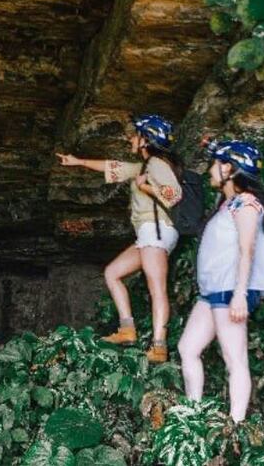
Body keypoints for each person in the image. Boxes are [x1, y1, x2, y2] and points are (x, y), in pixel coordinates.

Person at [56, 114, 183, 363]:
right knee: (112, 272)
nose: (131, 138)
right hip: (147, 234)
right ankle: (127, 329)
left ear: (146, 139)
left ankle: (159, 346)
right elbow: (113, 166)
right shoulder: (145, 166)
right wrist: (77, 161)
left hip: (156, 231)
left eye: (136, 135)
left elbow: (174, 194)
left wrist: (147, 188)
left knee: (157, 289)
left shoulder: (157, 164)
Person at [177, 139, 264, 422]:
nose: (210, 170)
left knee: (235, 360)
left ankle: (236, 425)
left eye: (214, 164)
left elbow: (248, 250)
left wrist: (240, 294)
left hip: (229, 290)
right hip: (213, 290)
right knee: (188, 348)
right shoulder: (228, 203)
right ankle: (193, 413)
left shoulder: (246, 204)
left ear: (229, 169)